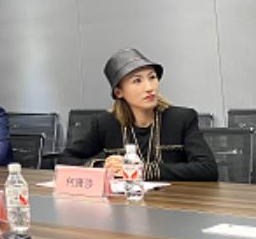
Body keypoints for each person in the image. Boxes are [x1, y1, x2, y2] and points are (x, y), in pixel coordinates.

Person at [60, 47, 217, 181]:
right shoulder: (105, 124)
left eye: (152, 77)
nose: (149, 88)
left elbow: (208, 169)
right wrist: (104, 167)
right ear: (119, 92)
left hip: (173, 201)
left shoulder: (181, 119)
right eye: (137, 81)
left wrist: (142, 170)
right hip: (123, 202)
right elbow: (64, 160)